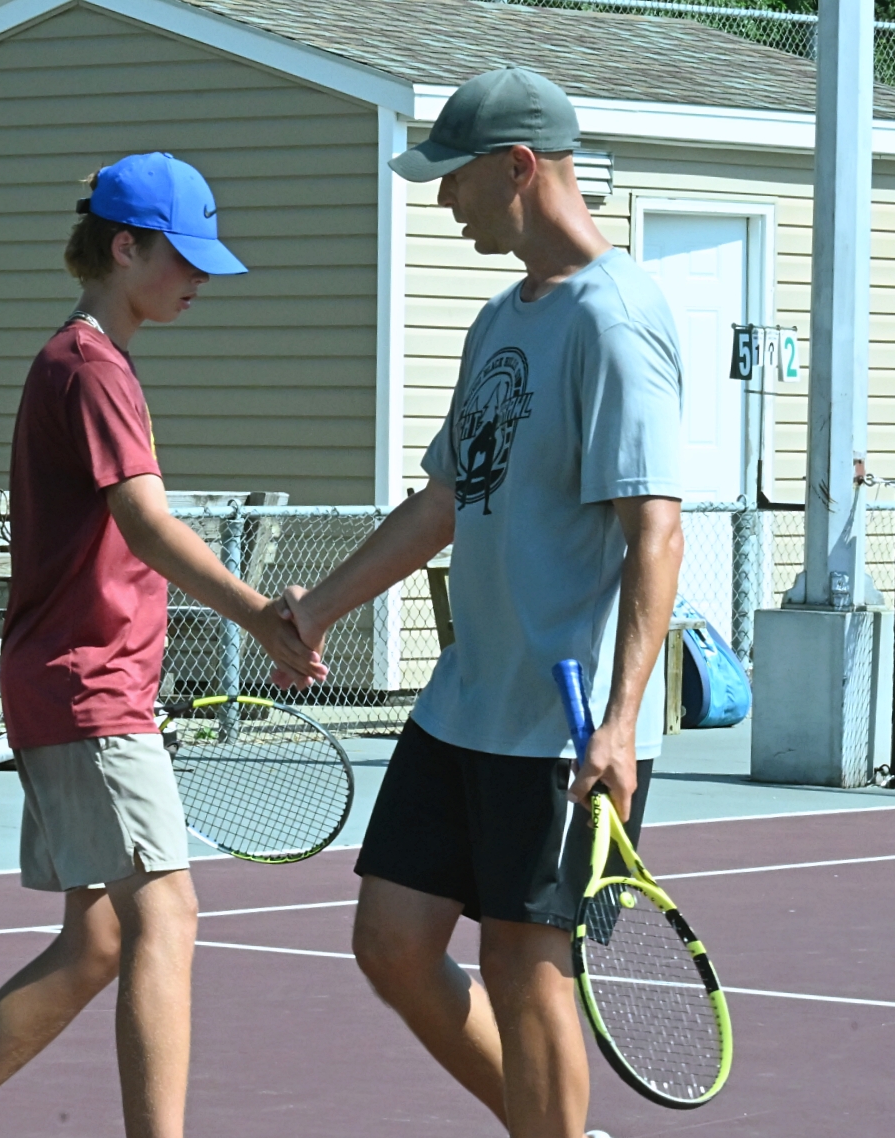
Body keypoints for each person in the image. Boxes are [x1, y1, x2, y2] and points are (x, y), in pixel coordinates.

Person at [0, 152, 326, 1138]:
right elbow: (145, 525)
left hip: (78, 688)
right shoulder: (90, 366)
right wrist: (259, 614)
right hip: (87, 688)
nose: (197, 281)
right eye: (181, 259)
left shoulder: (87, 360)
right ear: (123, 246)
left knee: (100, 935)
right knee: (167, 914)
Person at [277, 68, 684, 1138]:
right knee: (392, 941)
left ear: (519, 166)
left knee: (523, 959)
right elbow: (446, 502)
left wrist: (621, 719)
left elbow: (658, 530)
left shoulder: (617, 320)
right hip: (465, 704)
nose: (443, 201)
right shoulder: (501, 319)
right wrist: (318, 608)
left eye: (454, 179)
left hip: (564, 721)